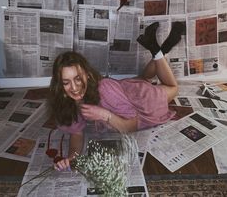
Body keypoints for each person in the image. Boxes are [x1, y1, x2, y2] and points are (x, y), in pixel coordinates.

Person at [49, 21, 185, 171]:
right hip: (126, 89)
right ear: (59, 85)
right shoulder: (66, 101)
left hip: (143, 100)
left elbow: (131, 125)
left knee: (173, 88)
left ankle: (156, 50)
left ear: (87, 75)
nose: (74, 88)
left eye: (78, 79)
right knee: (144, 78)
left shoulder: (104, 89)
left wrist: (105, 115)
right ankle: (160, 48)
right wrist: (71, 158)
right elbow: (76, 134)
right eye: (66, 82)